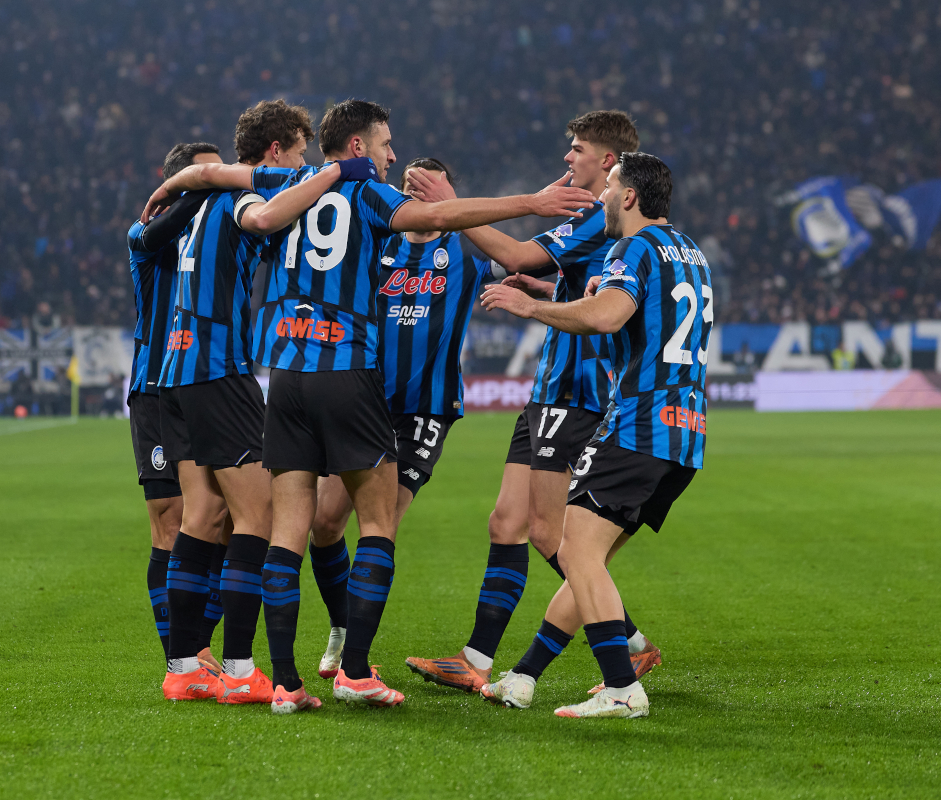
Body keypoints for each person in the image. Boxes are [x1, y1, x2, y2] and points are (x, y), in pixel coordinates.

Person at [146, 98, 596, 712]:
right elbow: (446, 212)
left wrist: (172, 184)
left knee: (289, 529)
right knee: (374, 522)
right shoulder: (371, 198)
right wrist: (532, 202)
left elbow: (212, 176)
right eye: (385, 145)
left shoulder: (289, 183)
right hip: (349, 376)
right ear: (358, 147)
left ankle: (282, 683)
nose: (391, 156)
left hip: (285, 376)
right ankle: (354, 669)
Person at [402, 110, 661, 694]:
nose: (568, 157)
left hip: (577, 391)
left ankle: (628, 648)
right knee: (507, 521)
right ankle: (476, 658)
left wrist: (450, 203)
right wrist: (548, 289)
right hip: (550, 388)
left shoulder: (602, 214)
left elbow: (516, 256)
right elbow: (583, 281)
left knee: (549, 533)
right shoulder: (593, 219)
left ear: (608, 162)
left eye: (577, 149)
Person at [144, 101, 380, 705]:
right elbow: (265, 217)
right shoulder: (239, 200)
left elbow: (203, 184)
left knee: (203, 518)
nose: (303, 163)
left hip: (175, 370)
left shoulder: (201, 204)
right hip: (219, 370)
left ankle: (182, 665)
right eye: (300, 152)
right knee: (263, 519)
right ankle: (243, 667)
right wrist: (333, 175)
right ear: (276, 151)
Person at [479, 152, 709, 718]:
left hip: (639, 424)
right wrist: (560, 297)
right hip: (687, 433)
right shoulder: (689, 252)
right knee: (590, 562)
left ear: (629, 196)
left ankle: (621, 688)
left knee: (575, 549)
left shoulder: (631, 248)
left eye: (609, 186)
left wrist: (531, 307)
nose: (602, 196)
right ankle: (524, 676)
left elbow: (607, 316)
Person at [304, 158, 496, 679]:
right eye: (405, 187)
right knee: (323, 525)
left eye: (422, 188)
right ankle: (342, 629)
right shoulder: (377, 245)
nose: (409, 195)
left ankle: (355, 662)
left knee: (379, 526)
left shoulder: (467, 251)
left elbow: (526, 263)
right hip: (362, 401)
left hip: (424, 411)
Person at [126, 141, 219, 672]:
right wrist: (204, 186)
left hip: (211, 386)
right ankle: (179, 660)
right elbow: (162, 228)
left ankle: (196, 641)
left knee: (230, 515)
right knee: (172, 520)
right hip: (157, 390)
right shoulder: (146, 232)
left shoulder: (221, 227)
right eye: (205, 172)